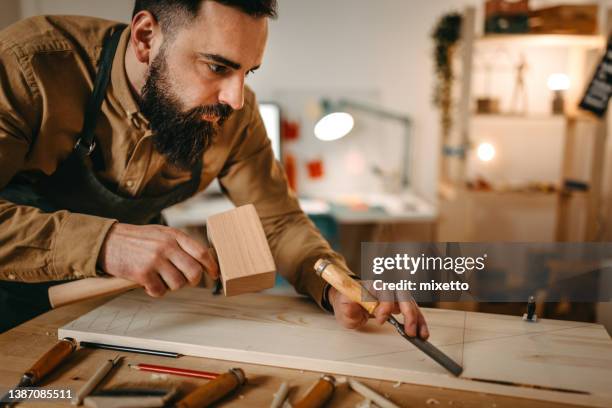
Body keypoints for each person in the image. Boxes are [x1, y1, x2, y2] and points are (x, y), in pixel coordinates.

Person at [0, 0, 429, 338]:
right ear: (146, 37)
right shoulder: (29, 66)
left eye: (248, 71)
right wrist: (106, 241)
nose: (236, 99)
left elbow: (277, 222)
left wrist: (335, 284)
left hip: (125, 308)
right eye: (217, 67)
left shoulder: (234, 115)